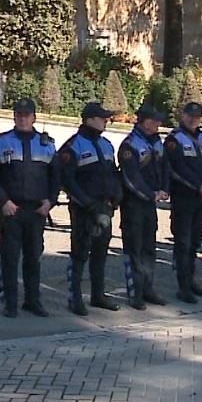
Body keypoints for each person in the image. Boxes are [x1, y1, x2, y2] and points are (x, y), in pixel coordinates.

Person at [0, 98, 60, 317]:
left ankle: (33, 301)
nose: (23, 118)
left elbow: (56, 176)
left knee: (34, 258)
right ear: (14, 117)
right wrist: (3, 201)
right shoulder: (1, 142)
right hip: (11, 210)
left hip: (36, 211)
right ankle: (10, 303)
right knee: (10, 258)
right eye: (19, 114)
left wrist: (50, 201)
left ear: (34, 117)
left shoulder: (47, 145)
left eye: (27, 115)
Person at [57, 102, 123, 315]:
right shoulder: (73, 146)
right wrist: (87, 203)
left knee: (100, 253)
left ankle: (98, 295)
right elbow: (67, 180)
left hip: (104, 207)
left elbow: (112, 173)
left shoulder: (106, 144)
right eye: (102, 117)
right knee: (79, 253)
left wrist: (116, 196)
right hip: (83, 208)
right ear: (89, 119)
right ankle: (74, 298)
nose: (106, 121)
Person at [163, 102, 202, 304]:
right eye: (189, 115)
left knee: (195, 241)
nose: (193, 119)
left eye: (197, 116)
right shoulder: (173, 140)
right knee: (183, 242)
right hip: (184, 197)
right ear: (182, 115)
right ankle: (183, 285)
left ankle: (191, 279)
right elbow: (174, 169)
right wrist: (198, 185)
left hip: (201, 198)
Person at [117, 104, 170, 310]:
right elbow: (131, 178)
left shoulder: (157, 142)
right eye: (155, 120)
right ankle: (135, 292)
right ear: (144, 121)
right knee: (134, 249)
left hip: (150, 204)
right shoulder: (130, 145)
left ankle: (148, 288)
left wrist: (164, 189)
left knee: (149, 247)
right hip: (134, 204)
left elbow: (165, 167)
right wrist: (151, 194)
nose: (158, 124)